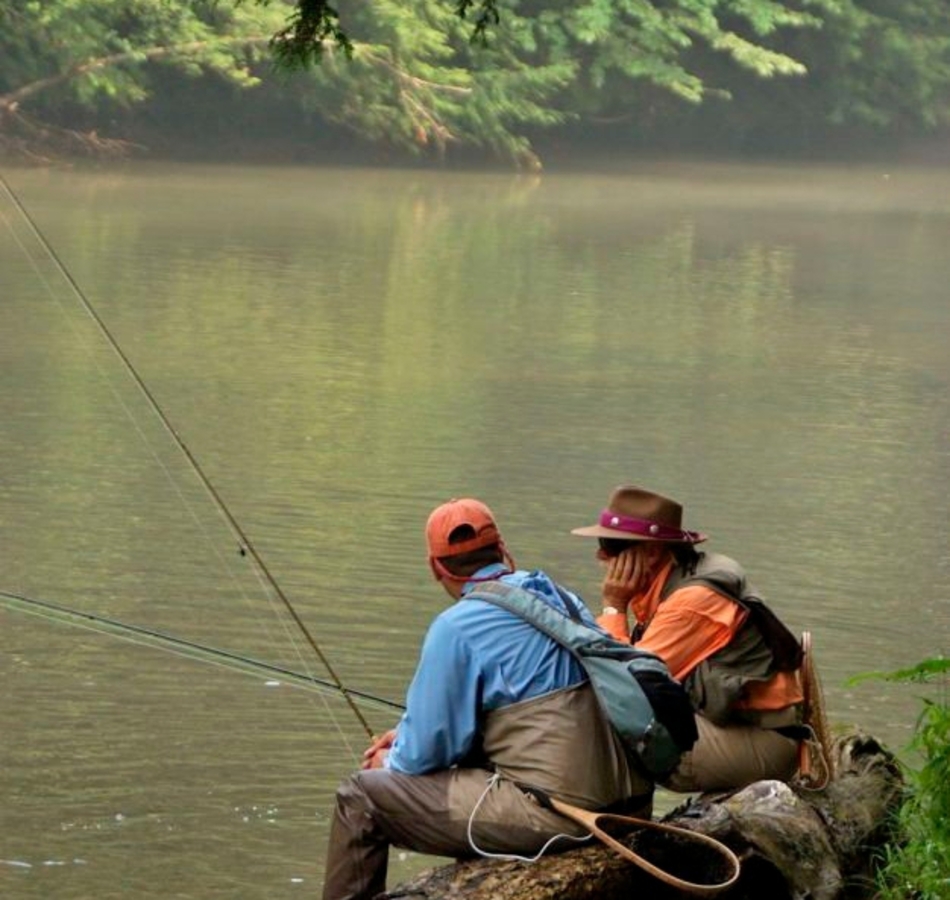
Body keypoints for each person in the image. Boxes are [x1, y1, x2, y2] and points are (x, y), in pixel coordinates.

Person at [322, 497, 652, 900]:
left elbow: (421, 757)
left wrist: (389, 760)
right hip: (629, 805)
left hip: (564, 816)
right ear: (502, 551)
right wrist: (406, 732)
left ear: (435, 568)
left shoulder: (457, 625)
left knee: (360, 797)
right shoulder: (563, 598)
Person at [572, 485, 805, 794]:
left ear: (652, 551)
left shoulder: (691, 601)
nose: (601, 554)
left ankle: (614, 819)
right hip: (734, 728)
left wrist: (614, 604)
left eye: (611, 546)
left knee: (614, 728)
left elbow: (626, 688)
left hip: (765, 744)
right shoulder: (676, 578)